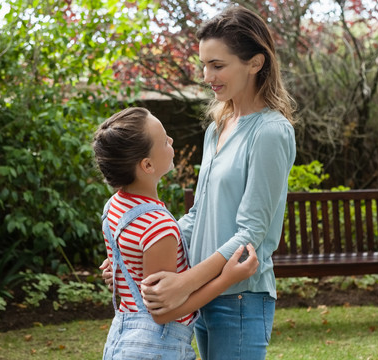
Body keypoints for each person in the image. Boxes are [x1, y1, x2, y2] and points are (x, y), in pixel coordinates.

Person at [122, 5, 296, 360]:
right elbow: (197, 215)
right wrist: (139, 252)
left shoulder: (270, 132)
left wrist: (185, 282)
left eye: (217, 65)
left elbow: (251, 233)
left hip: (242, 297)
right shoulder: (218, 127)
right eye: (204, 64)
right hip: (205, 290)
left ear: (255, 63)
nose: (206, 75)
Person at [93, 107, 259, 360]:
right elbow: (163, 312)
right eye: (164, 140)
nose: (171, 141)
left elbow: (128, 276)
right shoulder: (158, 227)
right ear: (147, 165)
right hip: (156, 347)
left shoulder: (114, 208)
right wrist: (225, 279)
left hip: (122, 341)